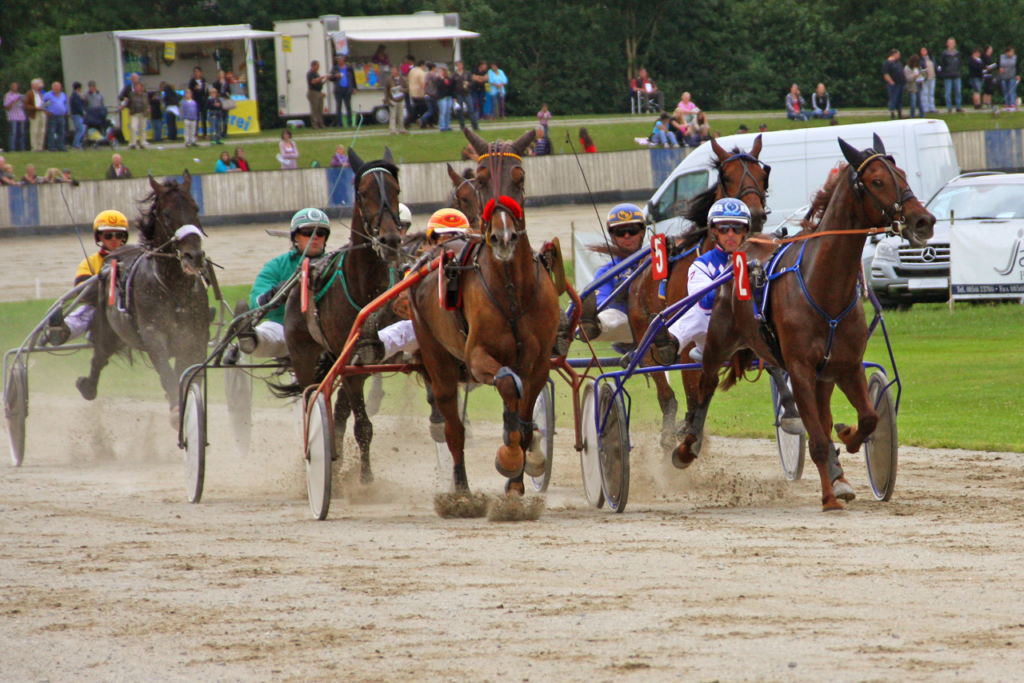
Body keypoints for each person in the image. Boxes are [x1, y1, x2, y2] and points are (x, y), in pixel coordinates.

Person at [357, 209, 473, 364]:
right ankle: (372, 348)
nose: (451, 241)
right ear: (432, 239)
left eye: (456, 236)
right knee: (402, 331)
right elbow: (404, 298)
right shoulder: (419, 267)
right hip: (431, 329)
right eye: (444, 236)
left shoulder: (475, 269)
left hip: (468, 327)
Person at [233, 208, 332, 359]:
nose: (315, 237)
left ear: (325, 238)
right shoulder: (277, 265)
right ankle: (251, 339)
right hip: (284, 327)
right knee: (269, 332)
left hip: (327, 330)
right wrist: (275, 294)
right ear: (296, 236)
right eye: (307, 232)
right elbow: (255, 302)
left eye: (320, 233)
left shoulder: (336, 264)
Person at [667, 199, 750, 363]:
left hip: (752, 330)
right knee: (694, 311)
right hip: (715, 333)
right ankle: (670, 343)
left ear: (745, 231)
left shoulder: (759, 258)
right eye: (724, 228)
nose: (731, 234)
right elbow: (703, 300)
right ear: (714, 231)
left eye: (737, 228)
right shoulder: (701, 264)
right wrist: (732, 282)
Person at [42, 210, 130, 346]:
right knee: (85, 314)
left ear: (124, 237)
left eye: (119, 235)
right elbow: (81, 292)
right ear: (99, 236)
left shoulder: (135, 259)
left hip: (129, 308)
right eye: (108, 235)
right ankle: (62, 332)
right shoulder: (90, 262)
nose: (114, 239)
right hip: (100, 308)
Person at [578, 204, 648, 343]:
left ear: (642, 232)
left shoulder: (657, 261)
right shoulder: (606, 272)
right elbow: (601, 302)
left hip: (661, 322)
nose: (627, 235)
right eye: (620, 232)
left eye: (632, 230)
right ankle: (592, 325)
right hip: (628, 328)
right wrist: (615, 297)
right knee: (609, 315)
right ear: (613, 236)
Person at [330, 54, 357, 128]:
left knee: (348, 106)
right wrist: (335, 76)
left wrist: (354, 88)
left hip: (347, 89)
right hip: (339, 89)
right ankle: (339, 124)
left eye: (340, 59)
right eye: (337, 59)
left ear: (343, 59)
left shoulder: (349, 68)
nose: (338, 60)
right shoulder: (335, 68)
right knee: (339, 106)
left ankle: (350, 123)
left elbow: (353, 78)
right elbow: (330, 78)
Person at [938, 37, 963, 113]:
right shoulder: (944, 54)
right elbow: (942, 64)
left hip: (956, 75)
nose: (951, 44)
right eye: (950, 43)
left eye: (953, 43)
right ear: (947, 44)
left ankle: (958, 107)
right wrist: (945, 72)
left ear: (954, 44)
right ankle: (949, 107)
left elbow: (960, 64)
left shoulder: (957, 54)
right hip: (948, 75)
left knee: (958, 92)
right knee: (948, 93)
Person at [42, 81, 68, 152]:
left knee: (61, 132)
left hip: (61, 116)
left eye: (58, 87)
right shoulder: (48, 95)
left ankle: (61, 146)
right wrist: (46, 111)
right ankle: (52, 147)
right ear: (52, 88)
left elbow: (65, 103)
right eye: (55, 87)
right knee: (52, 132)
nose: (57, 88)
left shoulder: (63, 95)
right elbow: (43, 104)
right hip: (52, 116)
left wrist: (65, 110)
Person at [453, 61, 478, 131]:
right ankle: (462, 126)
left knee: (471, 109)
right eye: (458, 65)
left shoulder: (467, 73)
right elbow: (452, 86)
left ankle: (475, 125)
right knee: (460, 111)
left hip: (467, 93)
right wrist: (454, 96)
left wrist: (468, 84)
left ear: (462, 65)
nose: (459, 67)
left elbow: (472, 82)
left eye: (460, 65)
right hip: (459, 94)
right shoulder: (454, 75)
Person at [123, 81, 148, 149]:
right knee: (133, 128)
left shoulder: (145, 95)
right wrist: (123, 106)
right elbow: (128, 103)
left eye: (139, 86)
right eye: (136, 86)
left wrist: (148, 109)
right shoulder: (132, 94)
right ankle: (133, 143)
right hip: (134, 113)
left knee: (142, 129)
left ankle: (142, 143)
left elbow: (147, 104)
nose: (138, 87)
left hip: (143, 113)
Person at [383, 65, 408, 134]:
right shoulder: (389, 80)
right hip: (392, 99)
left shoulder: (403, 79)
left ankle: (401, 129)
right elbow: (386, 90)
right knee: (392, 115)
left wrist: (402, 90)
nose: (392, 72)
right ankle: (392, 130)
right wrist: (386, 99)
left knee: (400, 115)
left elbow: (407, 88)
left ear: (397, 70)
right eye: (392, 70)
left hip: (400, 99)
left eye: (394, 70)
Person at [25, 79, 47, 152]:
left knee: (42, 130)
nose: (38, 86)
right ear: (33, 85)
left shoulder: (41, 93)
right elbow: (26, 105)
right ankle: (34, 147)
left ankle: (40, 147)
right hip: (34, 112)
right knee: (34, 130)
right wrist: (34, 108)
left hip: (41, 112)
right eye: (36, 84)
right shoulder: (30, 93)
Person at [883, 49, 906, 119]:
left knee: (899, 99)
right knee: (893, 98)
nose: (899, 56)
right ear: (894, 54)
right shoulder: (887, 63)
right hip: (894, 84)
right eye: (898, 54)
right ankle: (892, 113)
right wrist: (891, 82)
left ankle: (900, 113)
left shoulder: (898, 62)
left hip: (901, 83)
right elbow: (885, 74)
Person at [5, 82, 28, 152]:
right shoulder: (8, 95)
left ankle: (21, 148)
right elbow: (7, 107)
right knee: (13, 133)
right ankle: (12, 148)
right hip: (13, 116)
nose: (15, 87)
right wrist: (13, 101)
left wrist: (23, 101)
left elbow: (23, 106)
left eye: (16, 86)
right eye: (14, 86)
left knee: (22, 133)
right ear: (11, 87)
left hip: (21, 116)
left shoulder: (20, 95)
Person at [187, 68, 209, 136]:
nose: (196, 73)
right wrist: (194, 89)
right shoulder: (192, 81)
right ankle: (195, 134)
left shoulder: (203, 80)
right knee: (196, 119)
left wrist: (206, 96)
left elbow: (206, 90)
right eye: (195, 72)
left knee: (204, 118)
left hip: (203, 101)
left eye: (198, 71)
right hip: (195, 101)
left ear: (200, 72)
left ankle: (204, 133)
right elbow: (189, 90)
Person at [306, 60, 327, 129]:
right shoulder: (310, 73)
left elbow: (319, 83)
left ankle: (320, 123)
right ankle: (314, 124)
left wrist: (326, 80)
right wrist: (321, 78)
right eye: (317, 65)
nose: (318, 67)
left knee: (320, 109)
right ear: (313, 66)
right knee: (314, 109)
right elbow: (313, 82)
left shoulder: (317, 74)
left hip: (318, 92)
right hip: (313, 92)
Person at [407, 60, 427, 127]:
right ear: (422, 65)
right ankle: (408, 121)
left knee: (418, 108)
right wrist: (424, 93)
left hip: (412, 92)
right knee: (420, 109)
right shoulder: (421, 72)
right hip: (419, 93)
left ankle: (421, 123)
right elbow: (423, 84)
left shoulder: (412, 71)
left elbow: (408, 78)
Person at [436, 65, 454, 132]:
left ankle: (447, 125)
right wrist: (442, 79)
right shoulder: (437, 79)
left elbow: (450, 86)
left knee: (448, 111)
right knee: (443, 111)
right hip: (442, 96)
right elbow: (440, 86)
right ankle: (442, 126)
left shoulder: (449, 78)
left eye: (442, 71)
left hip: (448, 96)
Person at [999, 47, 1018, 111]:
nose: (1012, 53)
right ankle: (1007, 104)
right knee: (1005, 90)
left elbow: (1017, 66)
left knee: (1011, 90)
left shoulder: (1015, 58)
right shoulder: (1002, 57)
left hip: (1012, 76)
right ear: (1007, 52)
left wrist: (1017, 74)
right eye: (1011, 52)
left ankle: (1012, 104)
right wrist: (999, 68)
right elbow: (998, 65)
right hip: (1004, 77)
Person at [919, 47, 937, 113]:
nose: (923, 51)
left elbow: (935, 65)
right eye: (922, 50)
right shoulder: (920, 60)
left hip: (932, 77)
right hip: (925, 78)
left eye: (925, 50)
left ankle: (932, 107)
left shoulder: (931, 58)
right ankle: (925, 108)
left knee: (931, 93)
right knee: (924, 93)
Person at [421, 62, 438, 129]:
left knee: (430, 110)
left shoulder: (427, 75)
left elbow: (424, 84)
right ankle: (422, 119)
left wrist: (424, 92)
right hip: (432, 95)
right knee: (432, 111)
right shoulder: (434, 75)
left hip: (427, 94)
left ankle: (427, 123)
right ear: (433, 68)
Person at [70, 82, 86, 150]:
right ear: (78, 88)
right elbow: (78, 106)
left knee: (78, 130)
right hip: (77, 114)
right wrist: (83, 114)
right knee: (81, 129)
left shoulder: (73, 95)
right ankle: (76, 144)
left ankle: (76, 143)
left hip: (75, 114)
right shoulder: (75, 96)